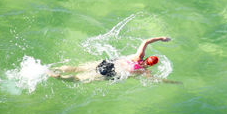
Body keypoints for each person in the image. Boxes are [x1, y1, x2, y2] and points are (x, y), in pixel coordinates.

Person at [48, 37, 179, 83]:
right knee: (79, 79)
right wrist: (172, 82)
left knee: (78, 68)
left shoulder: (138, 56)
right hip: (110, 74)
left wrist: (162, 38)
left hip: (108, 63)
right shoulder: (143, 71)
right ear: (151, 65)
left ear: (148, 57)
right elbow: (156, 80)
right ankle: (59, 77)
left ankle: (58, 68)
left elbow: (146, 41)